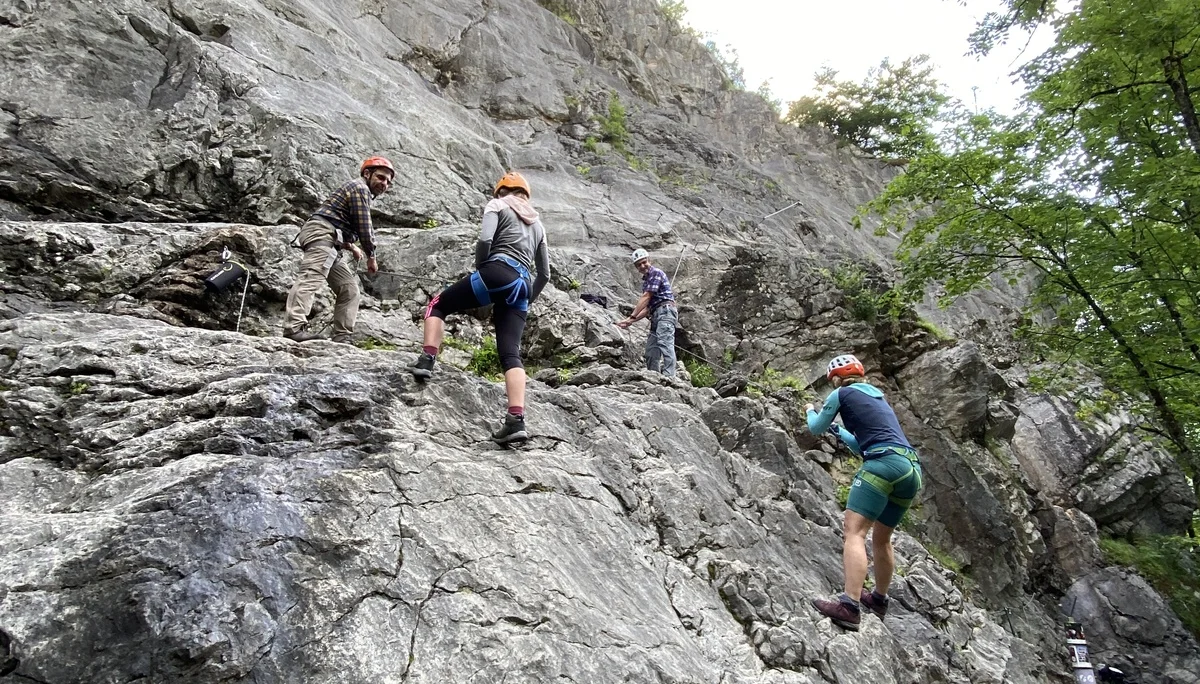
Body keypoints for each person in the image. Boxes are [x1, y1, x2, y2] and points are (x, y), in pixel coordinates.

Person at [409, 171, 550, 444]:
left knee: (438, 305)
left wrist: (483, 269)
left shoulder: (497, 205)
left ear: (502, 191)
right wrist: (527, 299)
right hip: (522, 284)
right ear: (525, 194)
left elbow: (485, 240)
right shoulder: (539, 225)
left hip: (496, 270)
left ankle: (427, 359)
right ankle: (516, 420)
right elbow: (544, 274)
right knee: (511, 354)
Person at [804, 354, 923, 631]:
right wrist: (840, 431)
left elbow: (815, 427)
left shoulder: (842, 393)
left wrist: (811, 409)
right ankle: (879, 599)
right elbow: (861, 446)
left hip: (882, 466)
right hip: (910, 469)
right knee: (882, 539)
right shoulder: (878, 397)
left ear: (835, 378)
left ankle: (849, 606)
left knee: (854, 533)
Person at [283, 156, 393, 343]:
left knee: (349, 289)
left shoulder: (358, 190)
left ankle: (342, 335)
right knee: (311, 278)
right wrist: (371, 256)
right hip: (323, 235)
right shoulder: (360, 188)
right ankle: (293, 329)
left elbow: (339, 219)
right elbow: (364, 226)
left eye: (388, 182)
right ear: (367, 173)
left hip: (331, 239)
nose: (385, 184)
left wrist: (351, 247)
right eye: (381, 178)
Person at [616, 248, 677, 377]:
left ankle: (669, 377)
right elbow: (647, 308)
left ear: (649, 260)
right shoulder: (646, 282)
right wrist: (631, 321)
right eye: (639, 265)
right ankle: (654, 377)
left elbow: (646, 297)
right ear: (636, 267)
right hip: (656, 314)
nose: (642, 266)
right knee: (651, 351)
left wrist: (631, 316)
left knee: (665, 343)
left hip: (665, 312)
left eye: (644, 262)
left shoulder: (656, 273)